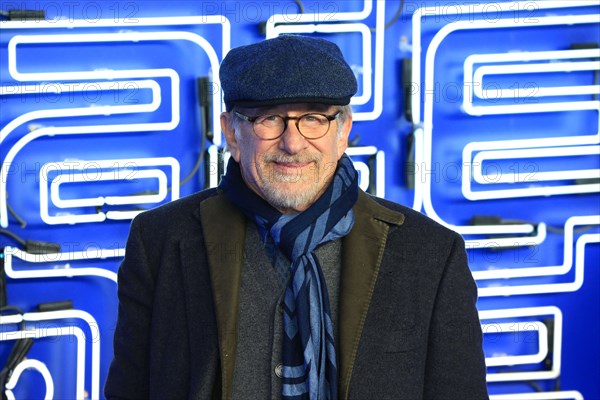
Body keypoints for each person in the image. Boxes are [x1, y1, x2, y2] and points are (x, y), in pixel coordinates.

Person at [104, 35, 489, 400]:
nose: (292, 143)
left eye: (314, 118)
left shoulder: (431, 255)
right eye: (269, 119)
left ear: (343, 133)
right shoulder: (158, 242)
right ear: (233, 135)